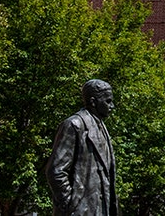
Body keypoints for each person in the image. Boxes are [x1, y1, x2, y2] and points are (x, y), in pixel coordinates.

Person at [45, 79, 118, 216]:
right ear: (93, 101)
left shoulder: (102, 127)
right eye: (108, 101)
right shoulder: (74, 125)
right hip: (81, 210)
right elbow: (55, 171)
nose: (112, 106)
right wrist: (71, 205)